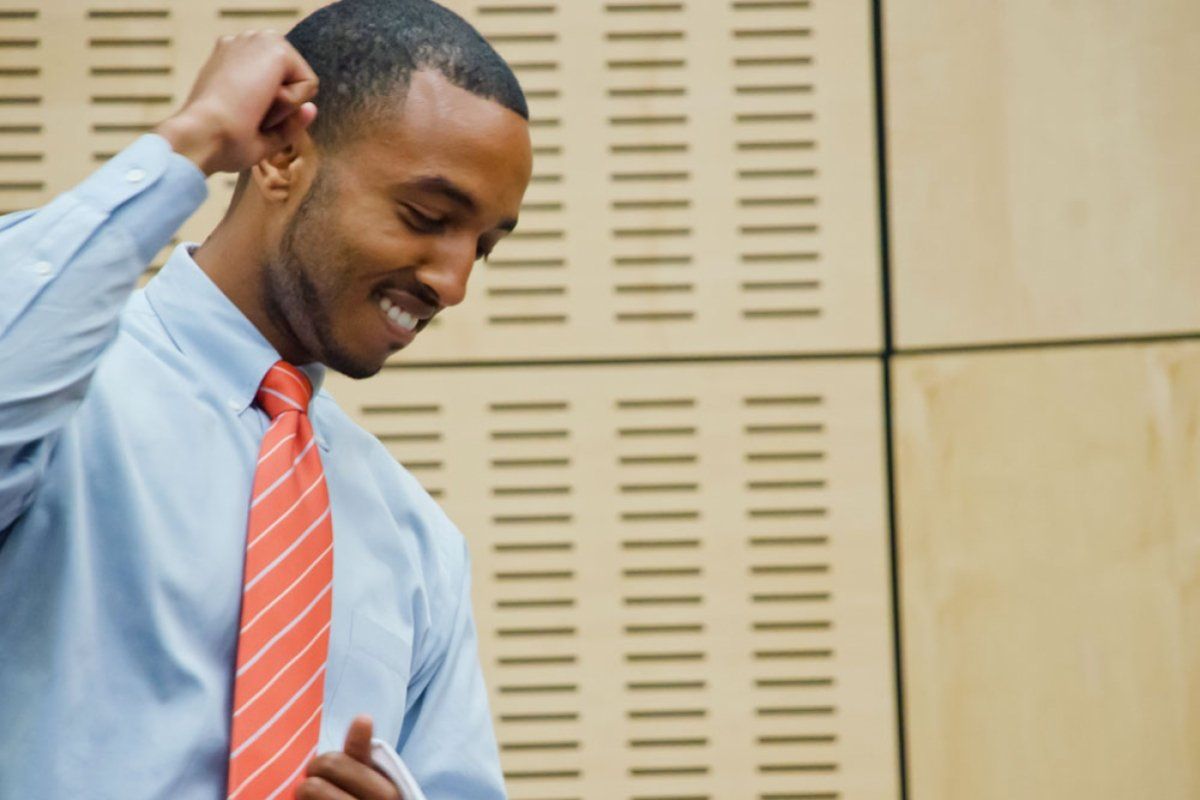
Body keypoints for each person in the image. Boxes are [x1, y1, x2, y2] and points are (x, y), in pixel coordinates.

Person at [0, 0, 532, 797]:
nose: (452, 283)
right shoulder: (60, 396)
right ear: (281, 159)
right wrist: (196, 138)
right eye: (426, 216)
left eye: (482, 248)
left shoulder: (418, 542)